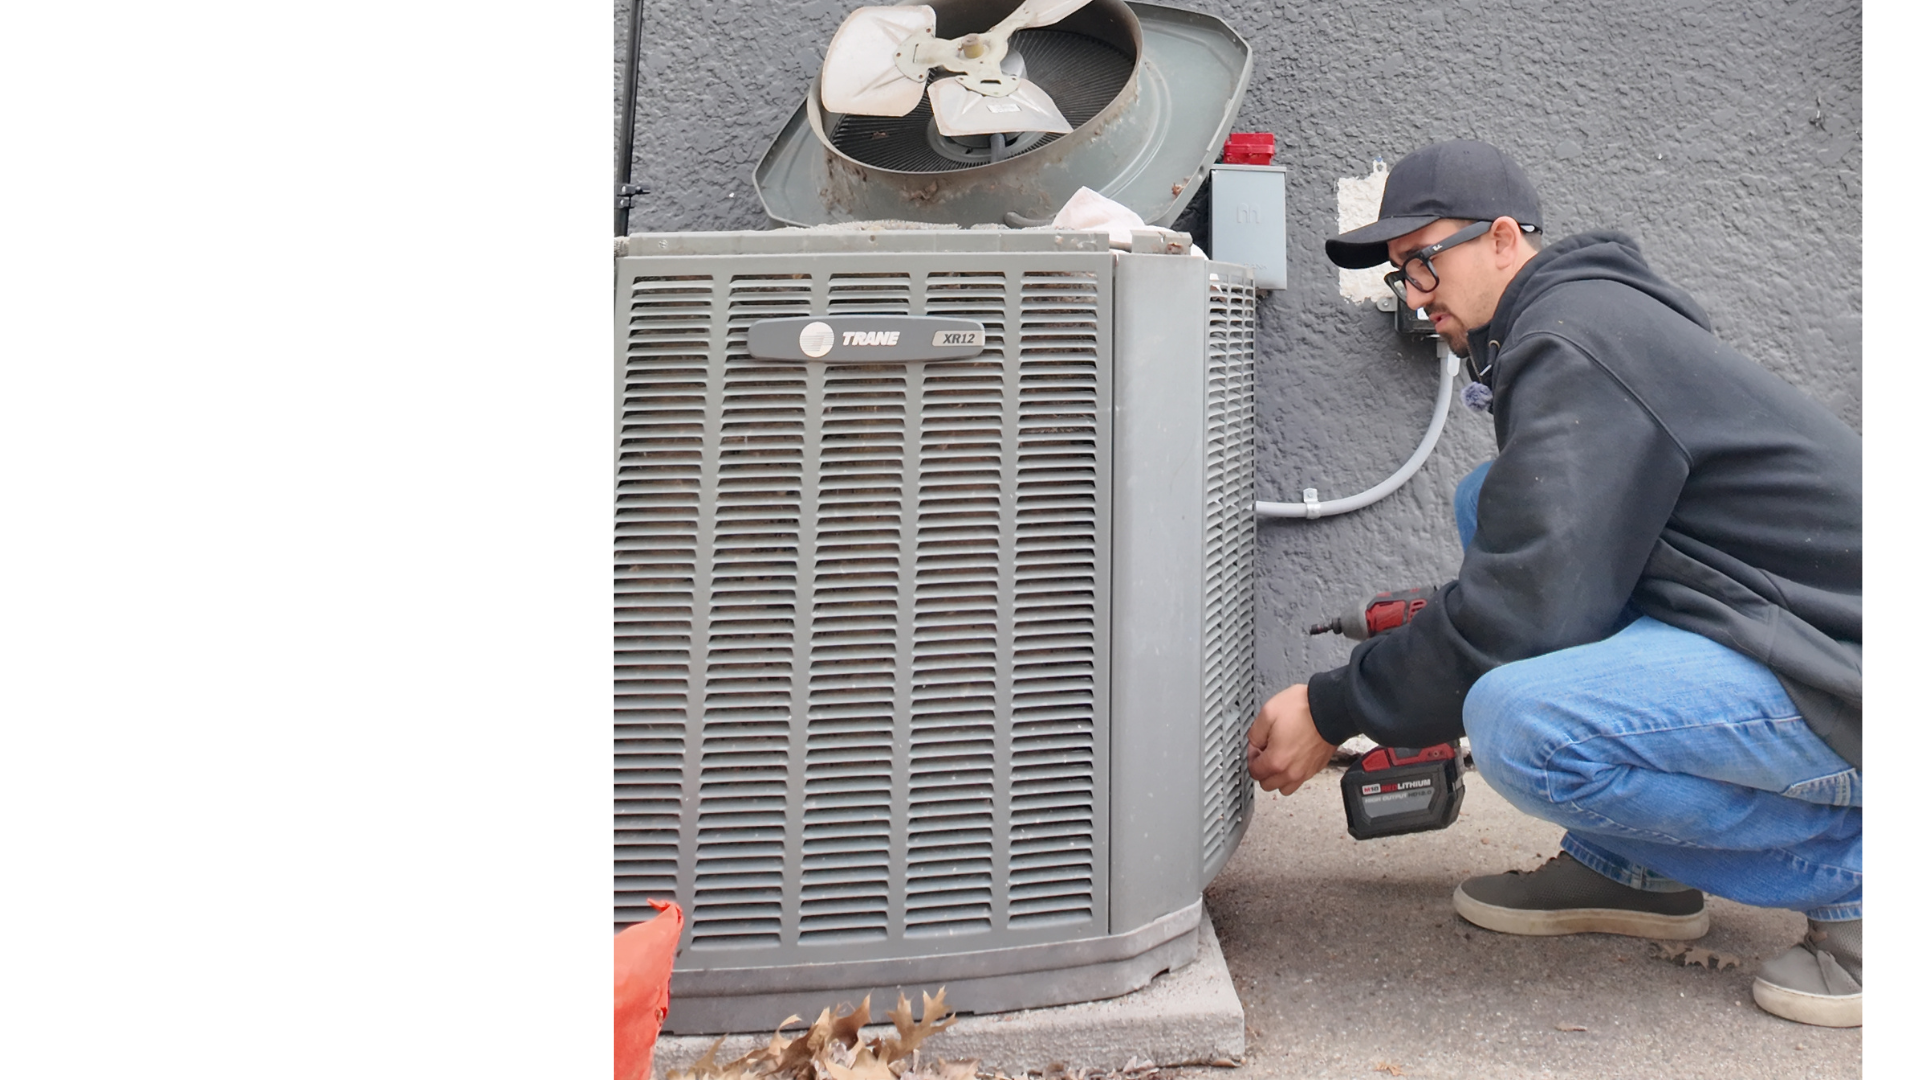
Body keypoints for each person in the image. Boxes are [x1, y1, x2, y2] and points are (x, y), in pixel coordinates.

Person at [1245, 140, 1862, 1027]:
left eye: (1424, 262)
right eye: (1399, 277)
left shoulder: (1574, 339)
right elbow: (1552, 575)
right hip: (1778, 623)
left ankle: (1863, 878)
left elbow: (1522, 614)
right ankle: (1632, 866)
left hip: (1843, 669)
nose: (1417, 298)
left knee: (1522, 725)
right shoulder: (1576, 320)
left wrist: (1338, 705)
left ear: (1503, 240)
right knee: (1485, 500)